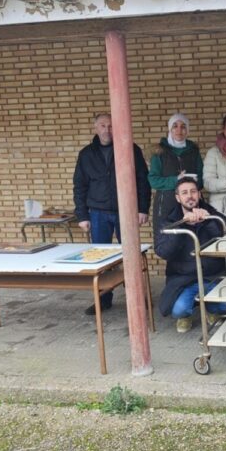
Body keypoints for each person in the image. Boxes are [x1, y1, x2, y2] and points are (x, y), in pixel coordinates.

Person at [73, 112, 150, 315]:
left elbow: (143, 180)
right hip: (98, 213)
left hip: (126, 211)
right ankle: (103, 300)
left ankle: (136, 298)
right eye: (103, 126)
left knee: (131, 256)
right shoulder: (86, 154)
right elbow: (79, 186)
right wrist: (82, 216)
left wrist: (143, 208)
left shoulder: (130, 149)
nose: (107, 130)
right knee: (101, 258)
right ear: (95, 128)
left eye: (111, 125)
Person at [154, 177, 226, 333]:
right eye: (184, 193)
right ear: (178, 198)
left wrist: (208, 221)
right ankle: (186, 315)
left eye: (193, 191)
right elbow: (163, 251)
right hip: (184, 279)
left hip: (213, 276)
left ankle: (212, 309)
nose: (190, 196)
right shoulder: (169, 221)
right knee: (179, 309)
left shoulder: (214, 215)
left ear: (199, 194)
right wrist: (181, 226)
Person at [149, 113, 203, 233]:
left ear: (187, 130)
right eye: (175, 126)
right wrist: (176, 180)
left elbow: (201, 176)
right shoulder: (159, 151)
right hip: (166, 205)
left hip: (190, 203)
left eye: (183, 126)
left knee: (192, 236)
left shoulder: (193, 151)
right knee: (167, 237)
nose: (179, 130)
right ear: (170, 129)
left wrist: (193, 183)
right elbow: (153, 180)